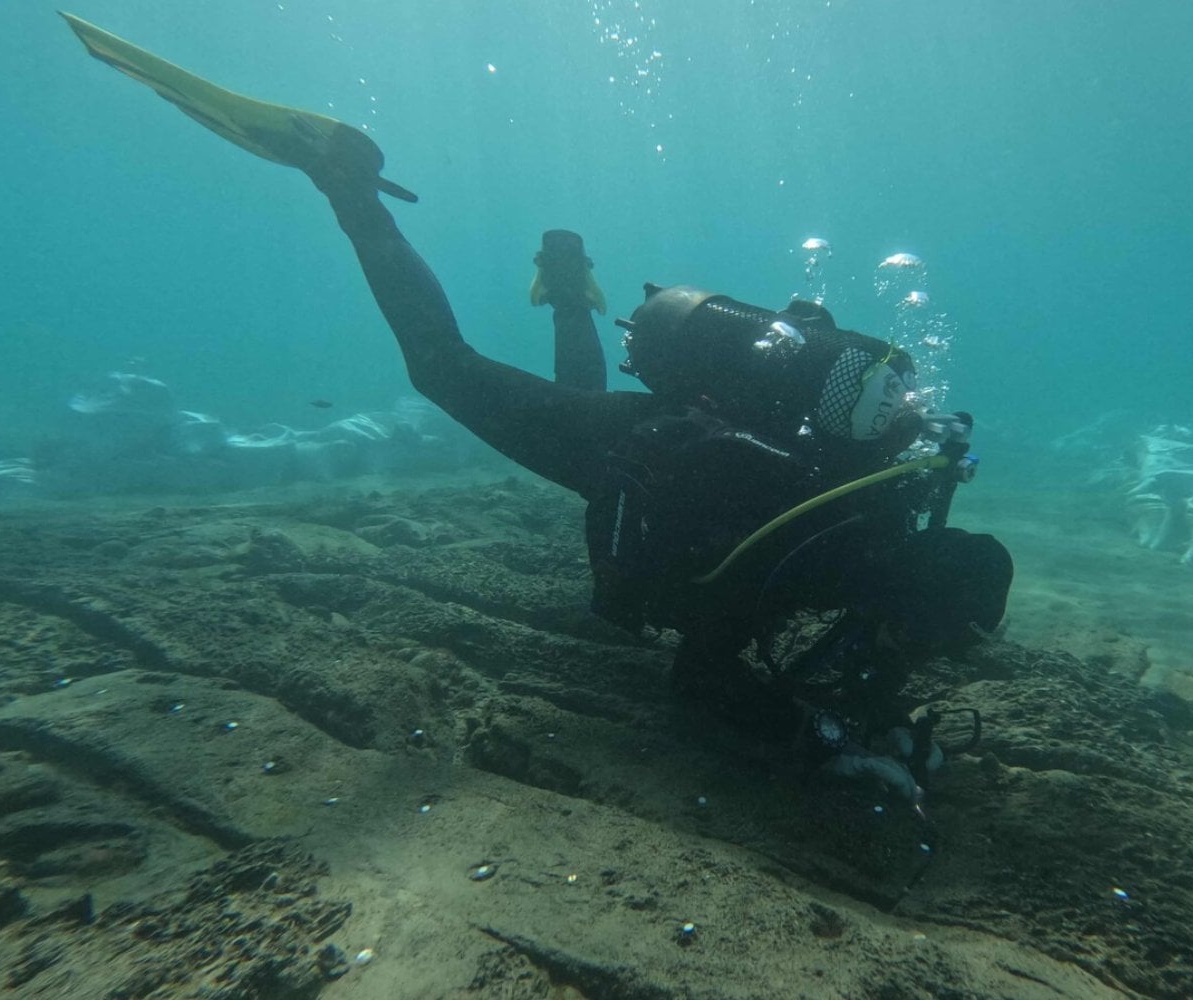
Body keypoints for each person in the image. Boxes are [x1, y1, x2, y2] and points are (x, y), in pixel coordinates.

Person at [63, 13, 1013, 810]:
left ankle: (567, 282)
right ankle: (346, 183)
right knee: (445, 368)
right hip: (637, 454)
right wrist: (825, 747)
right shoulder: (808, 549)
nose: (916, 653)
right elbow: (702, 681)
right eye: (925, 636)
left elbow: (870, 625)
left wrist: (871, 706)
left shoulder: (887, 517)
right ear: (906, 595)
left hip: (672, 443)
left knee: (582, 400)